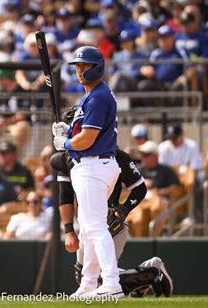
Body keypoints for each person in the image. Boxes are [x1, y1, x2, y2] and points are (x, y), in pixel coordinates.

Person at [49, 127, 172, 297]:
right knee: (84, 279)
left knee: (99, 283)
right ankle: (147, 273)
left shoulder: (116, 156)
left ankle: (149, 273)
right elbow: (65, 196)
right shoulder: (70, 157)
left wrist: (123, 209)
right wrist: (69, 230)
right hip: (87, 226)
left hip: (112, 224)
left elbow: (139, 188)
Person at [51, 46, 122, 300]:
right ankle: (89, 283)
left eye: (85, 66)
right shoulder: (91, 97)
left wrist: (66, 143)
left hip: (93, 164)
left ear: (98, 67)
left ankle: (112, 283)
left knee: (95, 227)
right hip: (95, 165)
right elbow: (83, 133)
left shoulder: (98, 96)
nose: (80, 71)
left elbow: (88, 139)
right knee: (88, 230)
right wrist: (67, 131)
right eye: (78, 66)